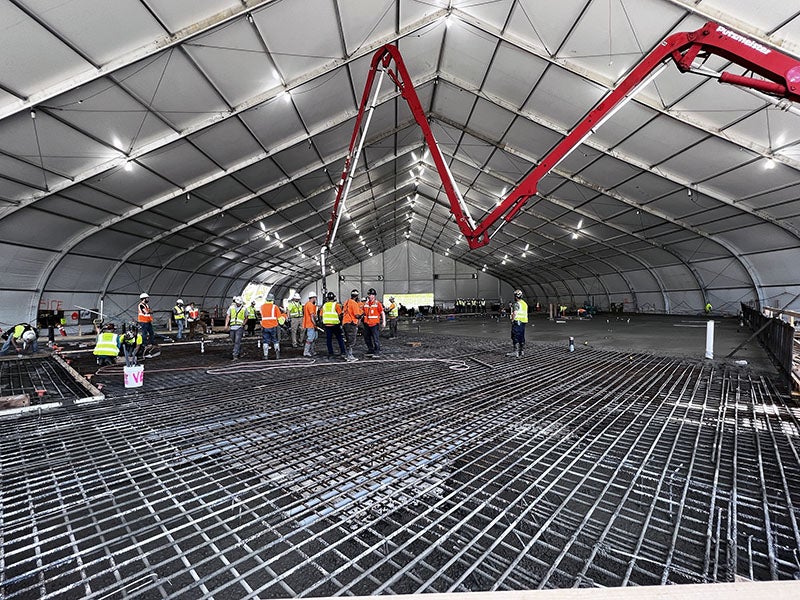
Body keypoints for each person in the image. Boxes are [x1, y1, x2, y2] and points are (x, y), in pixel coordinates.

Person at [320, 291, 346, 359]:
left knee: (329, 340)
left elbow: (320, 315)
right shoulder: (336, 305)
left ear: (327, 298)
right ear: (334, 298)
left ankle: (330, 353)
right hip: (335, 325)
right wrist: (340, 322)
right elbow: (340, 315)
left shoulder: (324, 306)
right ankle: (343, 352)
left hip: (327, 325)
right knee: (340, 339)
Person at [260, 293, 286, 359]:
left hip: (265, 326)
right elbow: (280, 320)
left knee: (265, 341)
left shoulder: (262, 307)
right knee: (275, 340)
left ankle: (265, 355)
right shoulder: (275, 307)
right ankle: (277, 355)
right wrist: (284, 317)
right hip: (273, 326)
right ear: (272, 300)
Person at [362, 288, 386, 356]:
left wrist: (383, 322)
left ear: (374, 296)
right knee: (367, 338)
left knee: (376, 338)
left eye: (371, 294)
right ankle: (370, 350)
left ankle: (377, 351)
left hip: (374, 324)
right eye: (369, 294)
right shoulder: (366, 304)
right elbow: (362, 313)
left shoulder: (377, 303)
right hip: (367, 324)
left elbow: (382, 313)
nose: (370, 296)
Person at [342, 289, 362, 362]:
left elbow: (343, 312)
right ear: (357, 296)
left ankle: (347, 355)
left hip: (345, 323)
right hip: (351, 324)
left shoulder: (347, 302)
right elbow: (356, 315)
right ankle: (349, 356)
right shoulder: (354, 303)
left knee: (347, 340)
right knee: (351, 341)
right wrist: (362, 315)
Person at [224, 296, 248, 360]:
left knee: (237, 341)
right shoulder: (231, 308)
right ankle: (239, 351)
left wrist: (244, 323)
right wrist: (226, 325)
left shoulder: (244, 308)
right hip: (232, 327)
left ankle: (235, 355)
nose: (238, 304)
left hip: (239, 327)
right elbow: (228, 316)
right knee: (234, 340)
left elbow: (246, 317)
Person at [507, 289, 528, 358]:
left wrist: (512, 319)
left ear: (515, 296)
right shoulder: (524, 303)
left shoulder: (516, 304)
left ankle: (516, 352)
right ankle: (521, 351)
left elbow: (515, 313)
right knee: (521, 336)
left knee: (515, 336)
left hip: (517, 322)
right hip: (523, 322)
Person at [302, 291, 318, 357]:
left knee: (314, 338)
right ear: (313, 298)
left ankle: (312, 350)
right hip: (310, 324)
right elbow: (312, 316)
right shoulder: (310, 305)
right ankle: (306, 352)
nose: (316, 299)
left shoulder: (307, 304)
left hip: (309, 324)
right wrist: (315, 324)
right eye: (315, 298)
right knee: (310, 338)